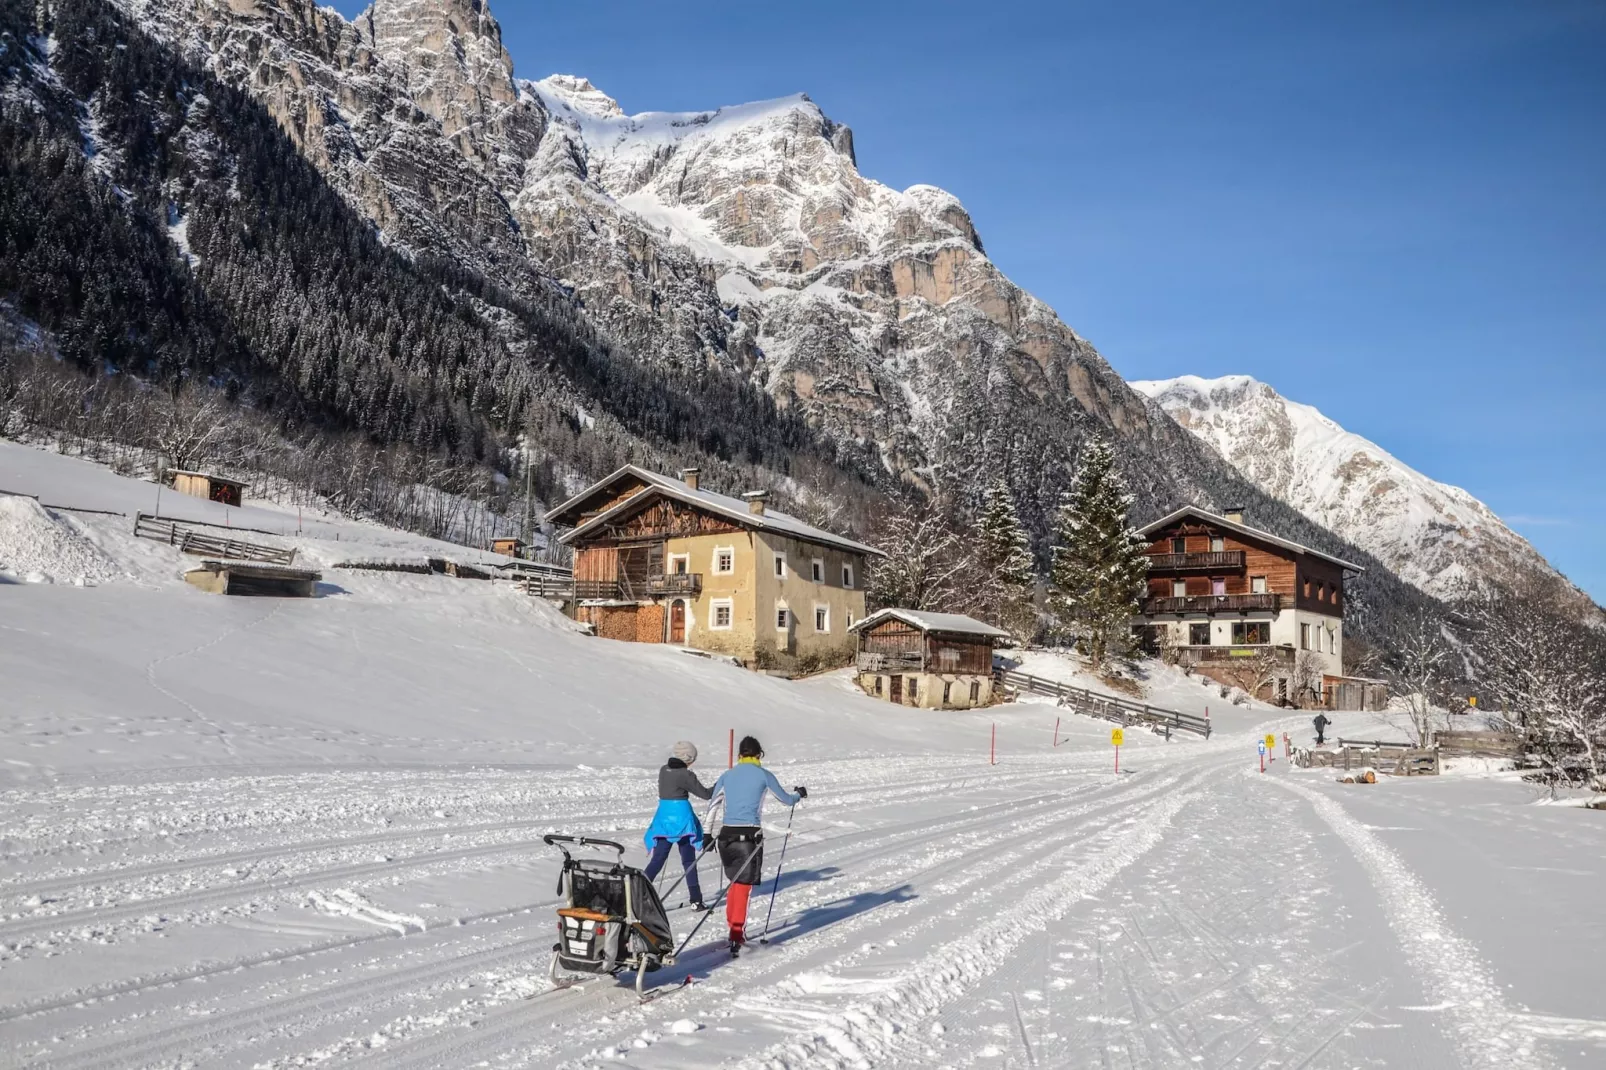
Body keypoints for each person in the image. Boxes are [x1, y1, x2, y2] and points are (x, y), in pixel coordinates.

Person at [709, 735, 806, 954]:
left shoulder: (727, 775)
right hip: (748, 838)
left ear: (739, 755)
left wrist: (707, 834)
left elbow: (713, 804)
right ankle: (736, 934)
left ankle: (732, 927)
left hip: (725, 836)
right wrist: (798, 795)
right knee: (743, 886)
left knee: (734, 882)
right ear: (759, 754)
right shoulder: (764, 775)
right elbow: (786, 800)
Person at [643, 740, 712, 909]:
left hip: (663, 820)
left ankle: (638, 893)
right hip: (682, 821)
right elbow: (705, 794)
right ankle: (696, 900)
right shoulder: (685, 775)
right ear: (689, 758)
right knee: (688, 860)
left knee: (658, 859)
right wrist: (720, 785)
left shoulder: (663, 770)